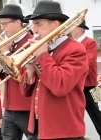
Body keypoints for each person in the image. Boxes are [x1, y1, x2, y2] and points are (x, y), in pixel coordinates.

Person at [19, 1, 88, 139]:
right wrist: (30, 70)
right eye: (33, 25)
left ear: (55, 24)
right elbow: (25, 92)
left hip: (63, 130)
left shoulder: (75, 50)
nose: (34, 30)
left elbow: (60, 86)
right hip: (37, 127)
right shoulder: (44, 48)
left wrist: (43, 56)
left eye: (39, 24)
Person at [0, 4, 33, 140]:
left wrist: (6, 52)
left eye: (4, 24)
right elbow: (5, 76)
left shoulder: (30, 42)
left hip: (26, 106)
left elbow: (24, 73)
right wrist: (0, 62)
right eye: (1, 25)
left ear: (18, 22)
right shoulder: (10, 43)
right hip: (9, 106)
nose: (2, 28)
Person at [71, 20, 101, 139]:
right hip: (75, 85)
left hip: (90, 85)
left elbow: (88, 64)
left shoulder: (91, 43)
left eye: (72, 28)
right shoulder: (71, 43)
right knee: (74, 116)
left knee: (96, 114)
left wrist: (71, 72)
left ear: (78, 29)